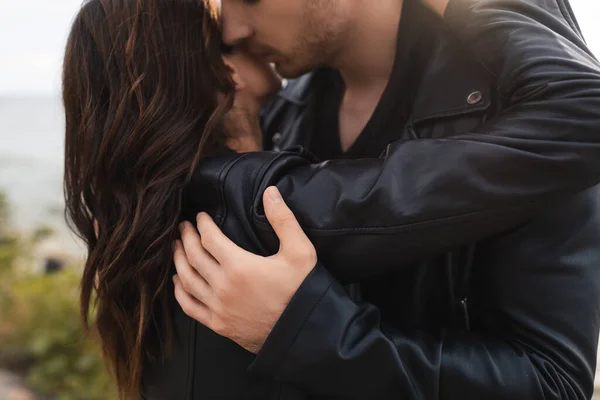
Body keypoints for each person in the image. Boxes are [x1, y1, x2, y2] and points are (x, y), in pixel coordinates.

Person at [173, 0, 600, 399]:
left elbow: (553, 384)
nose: (229, 27)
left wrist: (316, 336)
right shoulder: (282, 115)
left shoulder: (518, 100)